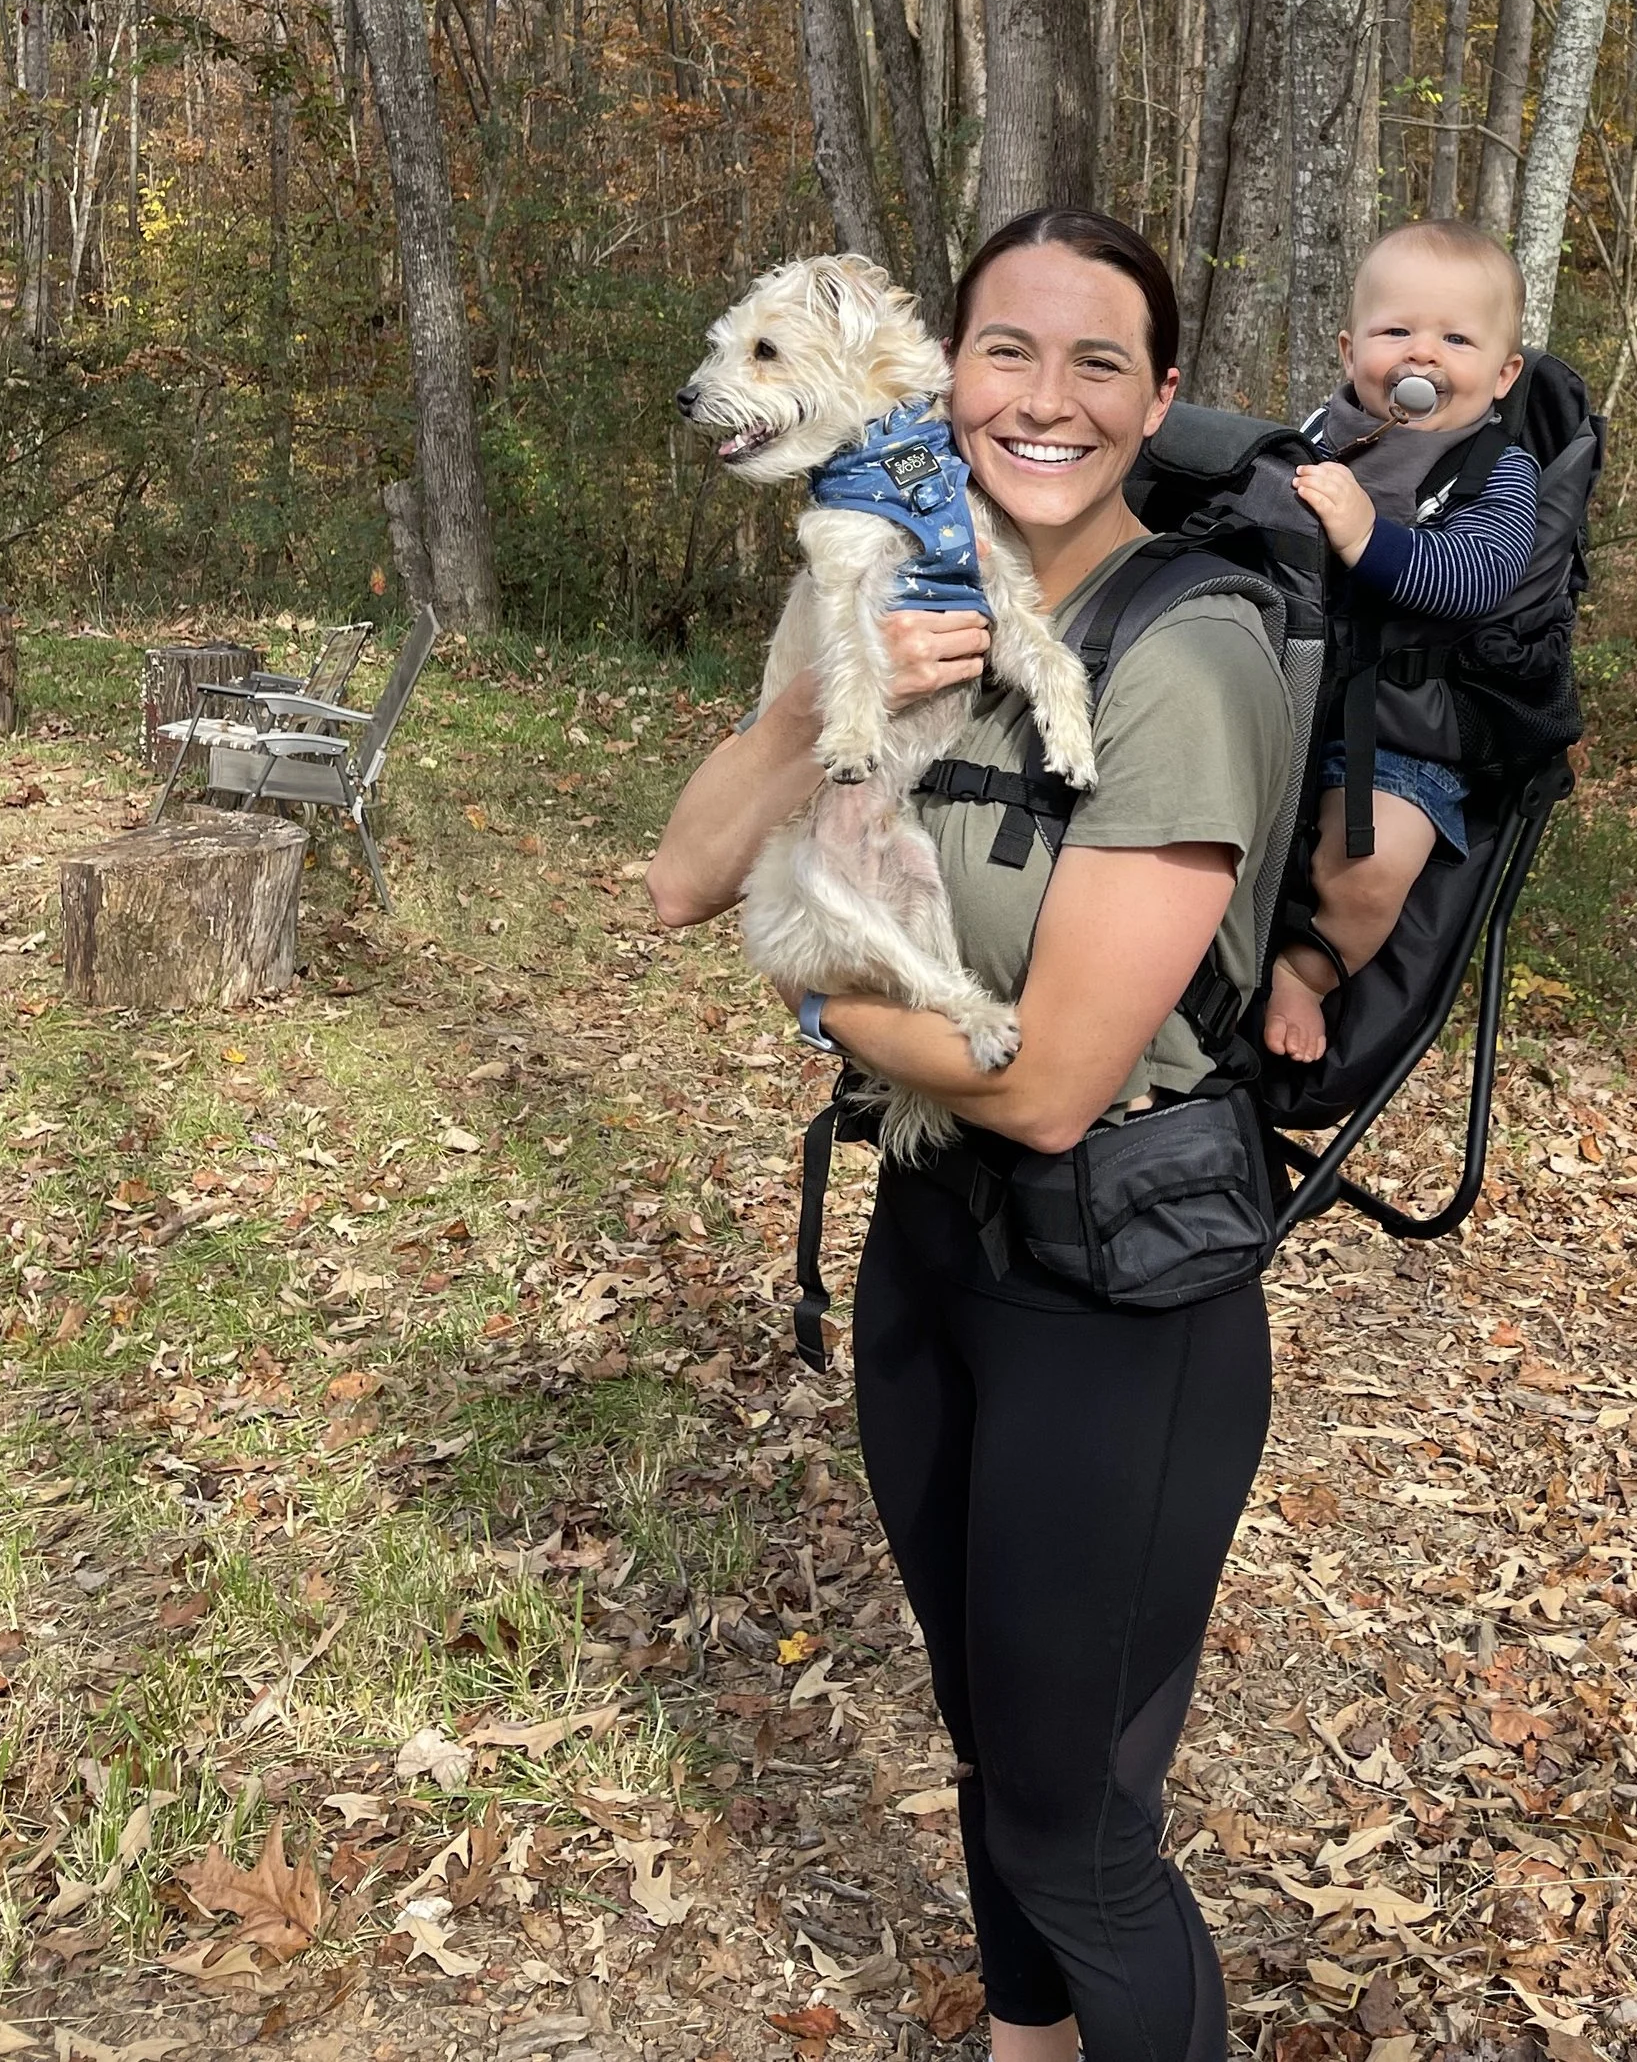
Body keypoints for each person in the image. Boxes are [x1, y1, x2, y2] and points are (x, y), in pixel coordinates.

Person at [650, 208, 1294, 2062]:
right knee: (993, 1747)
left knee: (1078, 1830)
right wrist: (820, 714)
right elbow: (682, 871)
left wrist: (814, 1001)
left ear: (1157, 400)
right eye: (1012, 347)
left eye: (1103, 362)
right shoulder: (892, 586)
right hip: (931, 1254)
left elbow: (1046, 1078)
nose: (1046, 396)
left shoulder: (1188, 654)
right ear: (943, 367)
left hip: (1116, 1293)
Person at [1263, 218, 1537, 1063]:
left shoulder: (1497, 468)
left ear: (1501, 373)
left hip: (1399, 728)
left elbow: (1477, 575)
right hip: (1278, 698)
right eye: (1396, 331)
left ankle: (1306, 971)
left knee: (1374, 864)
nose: (1422, 355)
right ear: (1351, 350)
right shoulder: (1315, 436)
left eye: (1456, 338)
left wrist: (1366, 539)